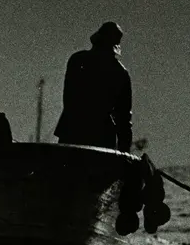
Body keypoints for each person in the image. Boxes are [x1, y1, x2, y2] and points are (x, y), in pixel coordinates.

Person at [54, 22, 133, 152]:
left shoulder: (77, 60)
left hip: (74, 130)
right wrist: (125, 150)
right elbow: (124, 118)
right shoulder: (119, 72)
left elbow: (68, 99)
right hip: (97, 135)